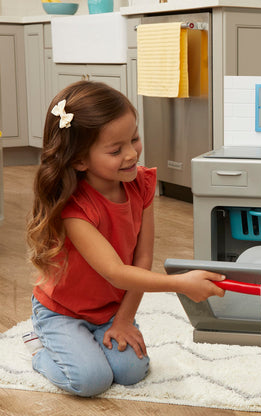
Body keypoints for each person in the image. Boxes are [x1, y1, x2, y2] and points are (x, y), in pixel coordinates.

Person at [25, 81, 225, 397]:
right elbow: (115, 272)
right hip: (62, 310)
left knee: (131, 372)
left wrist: (124, 319)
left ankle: (88, 341)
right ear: (79, 160)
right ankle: (40, 350)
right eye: (116, 150)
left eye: (134, 139)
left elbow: (141, 259)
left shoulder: (141, 185)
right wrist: (182, 283)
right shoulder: (74, 209)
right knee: (91, 381)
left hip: (108, 308)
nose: (132, 154)